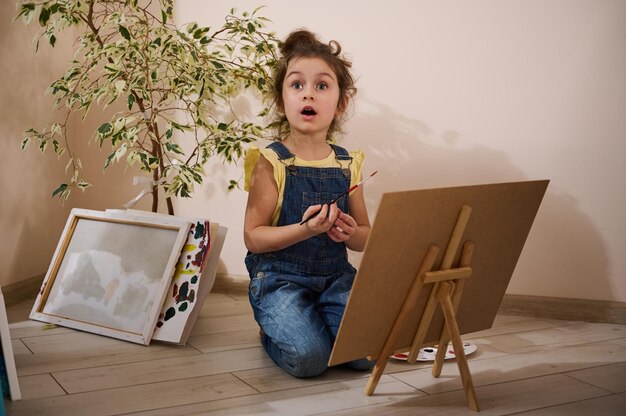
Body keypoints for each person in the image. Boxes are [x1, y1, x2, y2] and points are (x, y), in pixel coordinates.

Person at [243, 29, 373, 378]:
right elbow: (253, 238)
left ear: (341, 102)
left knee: (365, 354)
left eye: (322, 85)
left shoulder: (348, 164)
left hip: (335, 278)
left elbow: (365, 239)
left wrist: (350, 233)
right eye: (297, 85)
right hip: (280, 279)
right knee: (309, 360)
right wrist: (304, 230)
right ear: (281, 99)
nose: (308, 94)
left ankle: (315, 323)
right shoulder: (271, 162)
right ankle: (272, 328)